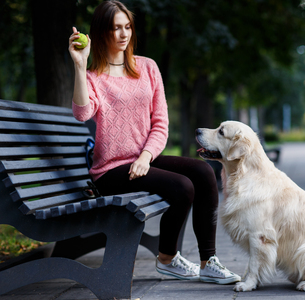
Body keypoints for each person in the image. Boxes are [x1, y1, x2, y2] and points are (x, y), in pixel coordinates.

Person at [68, 0, 240, 284]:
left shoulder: (147, 68)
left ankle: (209, 261)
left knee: (204, 172)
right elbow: (82, 113)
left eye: (127, 27)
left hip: (143, 159)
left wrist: (146, 157)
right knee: (182, 187)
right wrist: (79, 65)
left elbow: (160, 124)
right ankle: (167, 258)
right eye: (115, 28)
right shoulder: (93, 77)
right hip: (110, 170)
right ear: (101, 33)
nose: (123, 34)